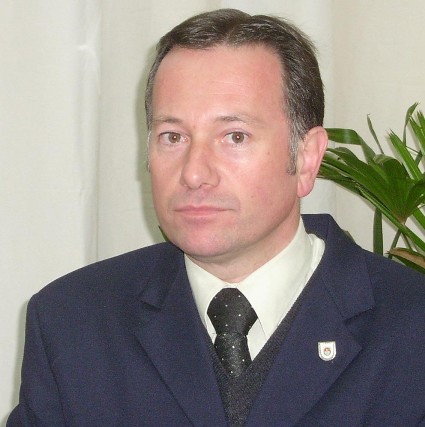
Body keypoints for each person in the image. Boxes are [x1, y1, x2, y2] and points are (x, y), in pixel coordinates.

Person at [7, 8, 425, 426]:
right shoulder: (72, 324)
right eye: (173, 137)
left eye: (234, 136)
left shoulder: (412, 327)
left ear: (306, 157)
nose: (193, 173)